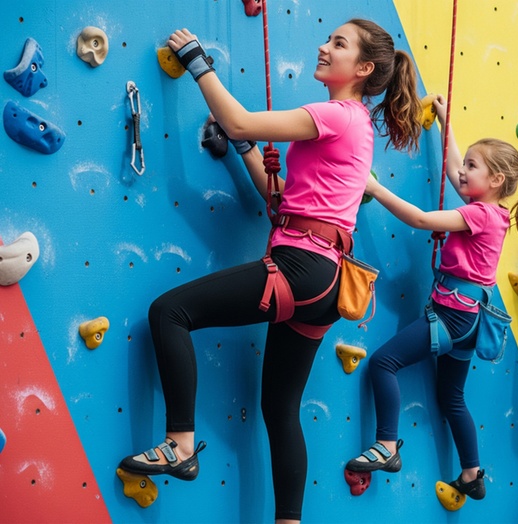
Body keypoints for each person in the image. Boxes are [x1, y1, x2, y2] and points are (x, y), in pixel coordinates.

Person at [118, 19, 421, 523]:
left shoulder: (339, 115)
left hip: (301, 267)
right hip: (324, 281)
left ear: (364, 68)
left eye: (338, 44)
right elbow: (277, 199)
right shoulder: (355, 125)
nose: (324, 46)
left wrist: (198, 61)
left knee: (169, 311)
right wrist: (246, 152)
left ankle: (180, 442)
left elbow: (238, 120)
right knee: (280, 410)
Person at [345, 95, 518, 501]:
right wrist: (446, 121)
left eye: (474, 166)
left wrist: (376, 188)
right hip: (472, 320)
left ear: (496, 181)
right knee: (451, 396)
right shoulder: (493, 212)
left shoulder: (477, 214)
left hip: (452, 316)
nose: (463, 172)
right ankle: (471, 473)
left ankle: (387, 445)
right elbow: (453, 172)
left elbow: (420, 219)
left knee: (383, 364)